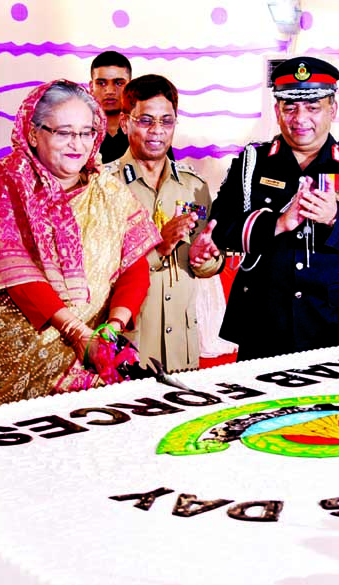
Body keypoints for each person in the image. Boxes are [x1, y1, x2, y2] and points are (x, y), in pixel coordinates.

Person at [0, 80, 160, 408]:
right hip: (22, 358)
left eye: (86, 133)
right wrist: (77, 334)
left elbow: (135, 268)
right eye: (64, 132)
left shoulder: (108, 191)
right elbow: (19, 274)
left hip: (96, 352)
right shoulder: (7, 185)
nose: (77, 144)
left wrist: (111, 330)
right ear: (33, 132)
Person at [204, 56, 339, 360]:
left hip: (335, 325)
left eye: (313, 107)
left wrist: (336, 216)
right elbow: (220, 228)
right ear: (278, 110)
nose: (300, 118)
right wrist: (277, 223)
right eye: (289, 107)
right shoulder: (252, 163)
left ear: (333, 109)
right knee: (259, 408)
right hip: (264, 323)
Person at [109, 74, 223, 372]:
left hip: (182, 348)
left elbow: (208, 262)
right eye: (146, 120)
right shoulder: (104, 188)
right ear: (125, 123)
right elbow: (95, 273)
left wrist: (206, 259)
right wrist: (158, 247)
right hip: (126, 346)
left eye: (166, 121)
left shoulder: (194, 186)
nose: (157, 131)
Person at [90, 51, 132, 163]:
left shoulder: (146, 131)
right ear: (91, 87)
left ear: (130, 87)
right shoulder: (78, 132)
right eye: (101, 83)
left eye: (118, 83)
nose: (110, 91)